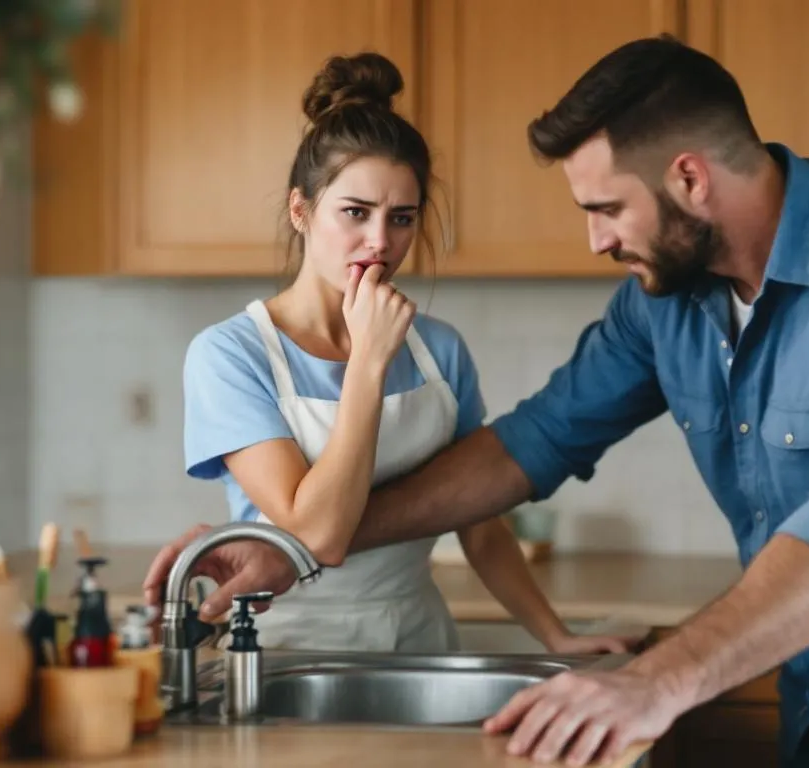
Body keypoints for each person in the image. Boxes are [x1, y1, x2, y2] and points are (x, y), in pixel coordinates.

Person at [147, 37, 809, 766]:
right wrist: (299, 546)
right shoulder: (668, 302)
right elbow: (534, 442)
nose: (596, 242)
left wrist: (658, 681)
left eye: (605, 210)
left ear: (688, 178)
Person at [177, 51, 633, 657]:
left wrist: (556, 637)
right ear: (300, 210)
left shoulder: (438, 348)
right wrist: (368, 361)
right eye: (355, 213)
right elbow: (316, 532)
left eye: (401, 218)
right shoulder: (229, 356)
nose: (379, 242)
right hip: (285, 650)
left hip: (418, 641)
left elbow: (479, 520)